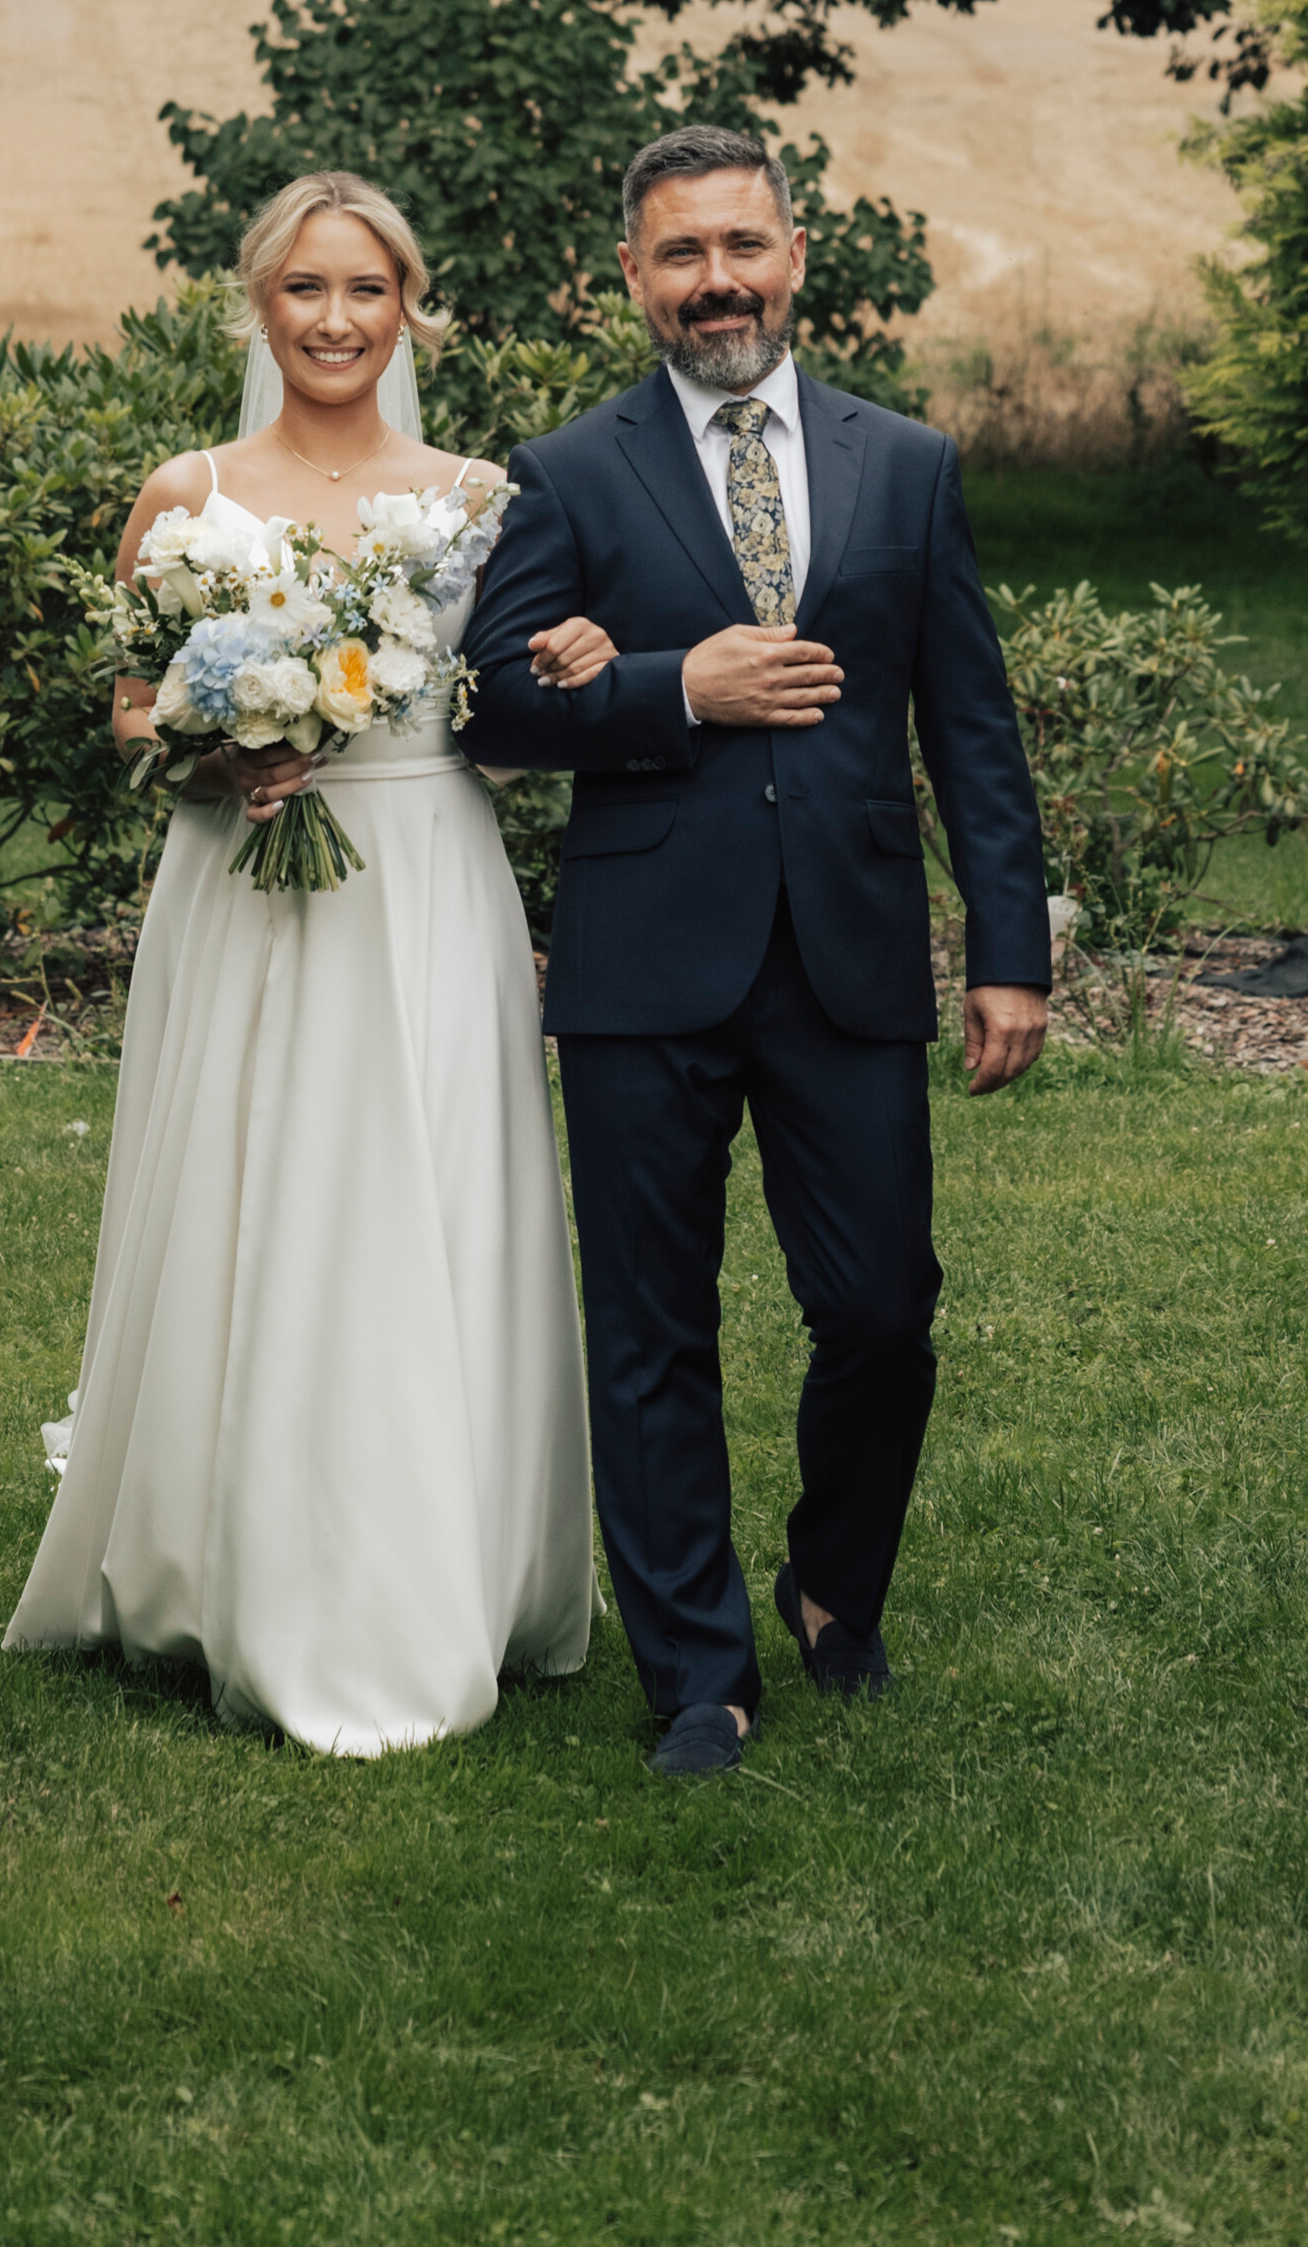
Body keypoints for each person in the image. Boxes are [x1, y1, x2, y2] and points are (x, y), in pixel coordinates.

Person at [459, 124, 1051, 1777]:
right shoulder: (565, 472)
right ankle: (697, 1675)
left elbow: (970, 725)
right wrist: (674, 689)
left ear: (794, 256)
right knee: (650, 1326)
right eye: (679, 254)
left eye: (740, 246)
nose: (714, 281)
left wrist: (1007, 949)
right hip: (645, 956)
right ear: (630, 279)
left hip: (847, 952)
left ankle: (829, 1580)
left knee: (880, 1308)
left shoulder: (905, 463)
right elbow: (488, 703)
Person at [5, 171, 610, 1753]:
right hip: (239, 886)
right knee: (242, 1183)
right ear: (256, 308)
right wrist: (216, 755)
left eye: (365, 290)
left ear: (410, 308)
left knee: (432, 1188)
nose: (335, 320)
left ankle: (452, 1559)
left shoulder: (485, 499)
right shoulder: (188, 491)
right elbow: (129, 704)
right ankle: (214, 1556)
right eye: (303, 289)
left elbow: (517, 708)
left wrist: (577, 662)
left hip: (425, 877)